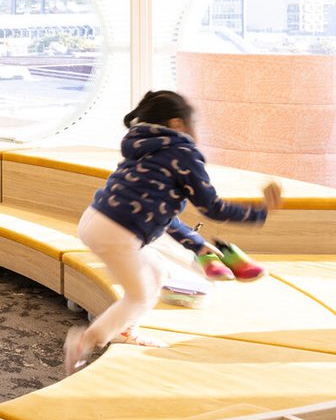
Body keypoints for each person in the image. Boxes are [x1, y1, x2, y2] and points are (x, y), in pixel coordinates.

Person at [63, 90, 281, 376]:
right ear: (178, 124)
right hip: (118, 231)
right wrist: (262, 211)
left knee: (156, 274)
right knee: (139, 296)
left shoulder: (145, 146)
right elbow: (212, 207)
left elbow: (159, 209)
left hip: (99, 219)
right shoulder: (182, 152)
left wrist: (197, 244)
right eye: (193, 123)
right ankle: (83, 342)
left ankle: (126, 331)